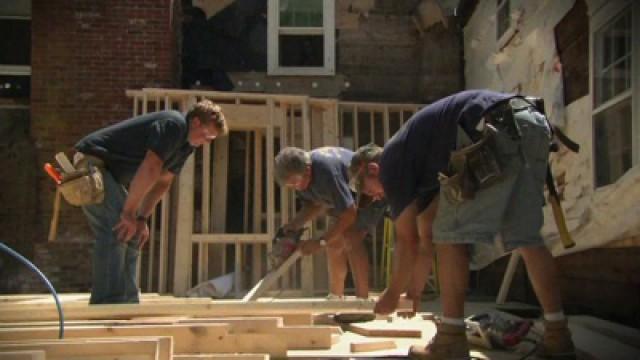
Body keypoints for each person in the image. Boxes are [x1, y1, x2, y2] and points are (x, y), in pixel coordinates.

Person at [350, 90, 575, 359]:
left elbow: (407, 241)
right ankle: (558, 335)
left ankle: (451, 339)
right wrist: (414, 293)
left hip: (493, 127)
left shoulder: (391, 164)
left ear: (371, 170)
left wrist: (391, 293)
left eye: (369, 191)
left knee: (451, 237)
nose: (375, 198)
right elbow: (425, 237)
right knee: (526, 237)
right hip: (530, 122)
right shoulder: (420, 161)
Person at [74, 100, 228, 304]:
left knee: (133, 234)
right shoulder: (174, 125)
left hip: (109, 174)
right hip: (92, 163)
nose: (207, 142)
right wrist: (128, 213)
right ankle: (107, 305)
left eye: (211, 139)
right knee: (117, 228)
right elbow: (151, 167)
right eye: (206, 135)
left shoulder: (186, 146)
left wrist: (141, 218)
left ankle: (127, 303)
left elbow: (162, 182)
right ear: (197, 122)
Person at [274, 146, 386, 299]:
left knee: (351, 238)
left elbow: (349, 213)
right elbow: (313, 205)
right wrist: (293, 226)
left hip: (370, 191)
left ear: (307, 170)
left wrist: (320, 242)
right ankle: (335, 296)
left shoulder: (325, 170)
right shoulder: (301, 180)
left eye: (295, 182)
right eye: (290, 186)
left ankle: (362, 300)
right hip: (346, 201)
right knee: (334, 245)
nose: (295, 187)